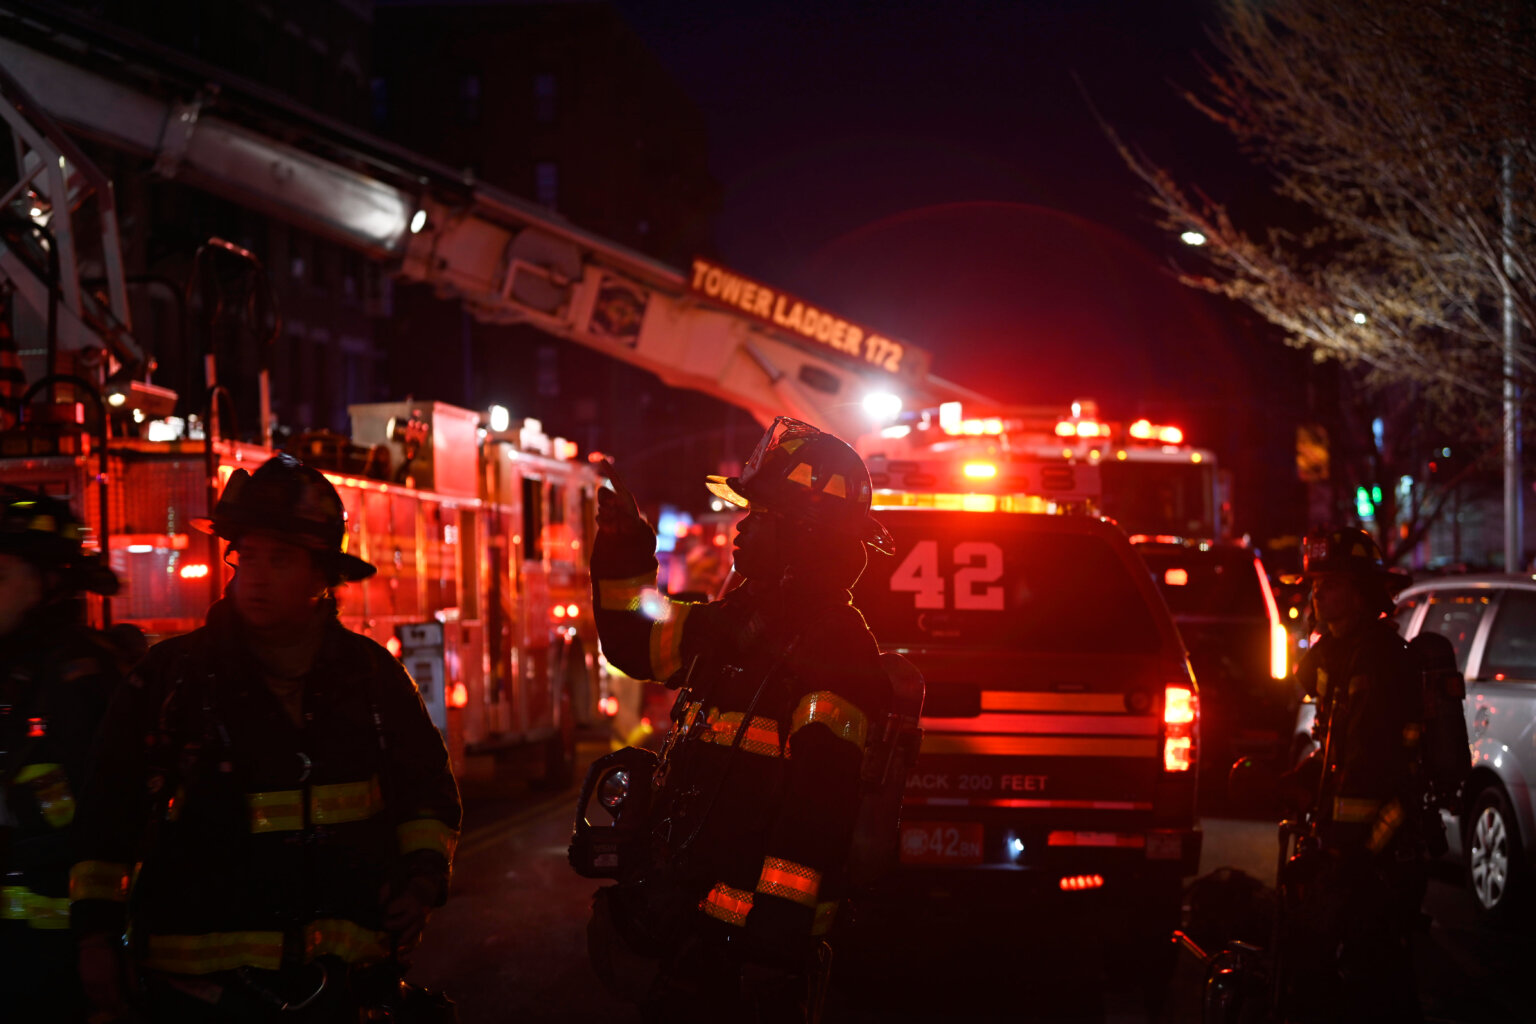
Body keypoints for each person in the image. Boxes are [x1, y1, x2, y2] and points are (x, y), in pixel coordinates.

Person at [71, 453, 462, 1022]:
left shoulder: (372, 678)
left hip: (342, 988)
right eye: (247, 556)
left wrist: (422, 881)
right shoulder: (168, 681)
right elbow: (106, 814)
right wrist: (95, 938)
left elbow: (427, 796)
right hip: (195, 993)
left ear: (321, 577)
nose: (254, 575)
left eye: (279, 559)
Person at [587, 417, 893, 1024]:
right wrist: (624, 548)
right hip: (693, 928)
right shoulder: (740, 620)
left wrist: (771, 948)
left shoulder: (834, 645)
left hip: (750, 955)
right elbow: (634, 641)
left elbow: (818, 812)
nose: (741, 529)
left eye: (761, 516)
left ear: (805, 535)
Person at [1279, 527, 1429, 1022]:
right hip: (1350, 851)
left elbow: (1370, 764)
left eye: (1331, 583)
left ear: (1361, 591)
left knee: (1363, 978)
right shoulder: (1340, 655)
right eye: (1315, 584)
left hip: (1378, 852)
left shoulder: (1379, 661)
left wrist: (1341, 852)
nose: (1318, 594)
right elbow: (1336, 750)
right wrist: (1297, 780)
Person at [0, 490, 123, 1022]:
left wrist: (97, 940)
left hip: (57, 959)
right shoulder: (14, 672)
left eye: (0, 576)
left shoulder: (82, 680)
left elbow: (107, 820)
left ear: (49, 582)